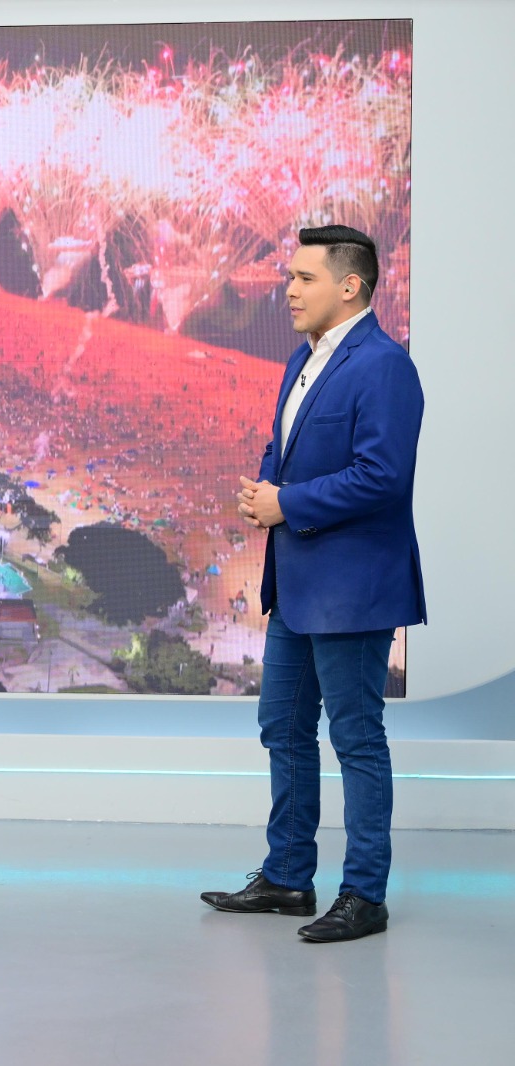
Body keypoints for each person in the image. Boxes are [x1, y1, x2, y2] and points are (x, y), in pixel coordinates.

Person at [202, 225, 425, 942]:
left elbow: (383, 477)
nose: (289, 291)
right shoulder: (303, 356)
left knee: (355, 737)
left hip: (353, 588)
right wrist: (266, 484)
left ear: (350, 286)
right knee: (283, 728)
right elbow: (288, 444)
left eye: (304, 278)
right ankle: (288, 876)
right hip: (297, 584)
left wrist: (287, 503)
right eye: (290, 277)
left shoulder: (385, 366)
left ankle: (364, 895)